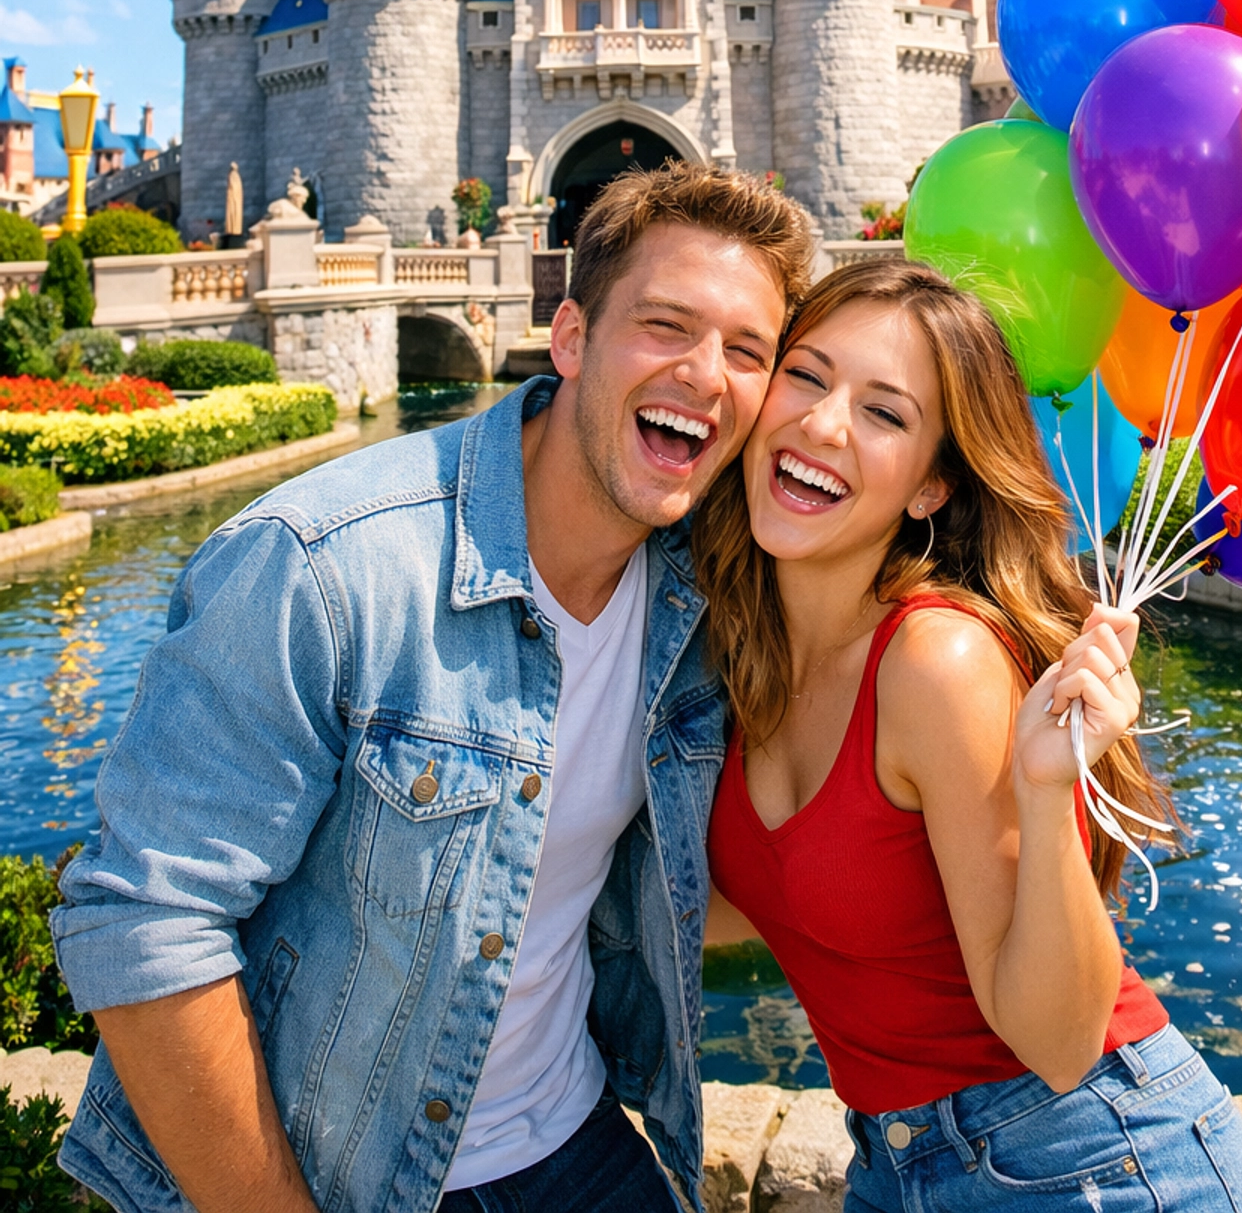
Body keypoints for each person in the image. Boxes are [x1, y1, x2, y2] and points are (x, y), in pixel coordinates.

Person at [52, 163, 814, 1213]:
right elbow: (144, 925)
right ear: (572, 338)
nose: (706, 373)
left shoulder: (703, 595)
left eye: (747, 351)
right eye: (665, 325)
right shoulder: (324, 566)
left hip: (575, 1146)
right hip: (334, 1177)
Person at [695, 259, 1242, 1212]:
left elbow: (1056, 1042)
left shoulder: (938, 662)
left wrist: (1049, 794)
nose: (823, 422)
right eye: (806, 375)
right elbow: (761, 899)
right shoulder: (745, 649)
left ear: (931, 486)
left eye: (885, 413)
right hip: (898, 1162)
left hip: (1091, 1159)